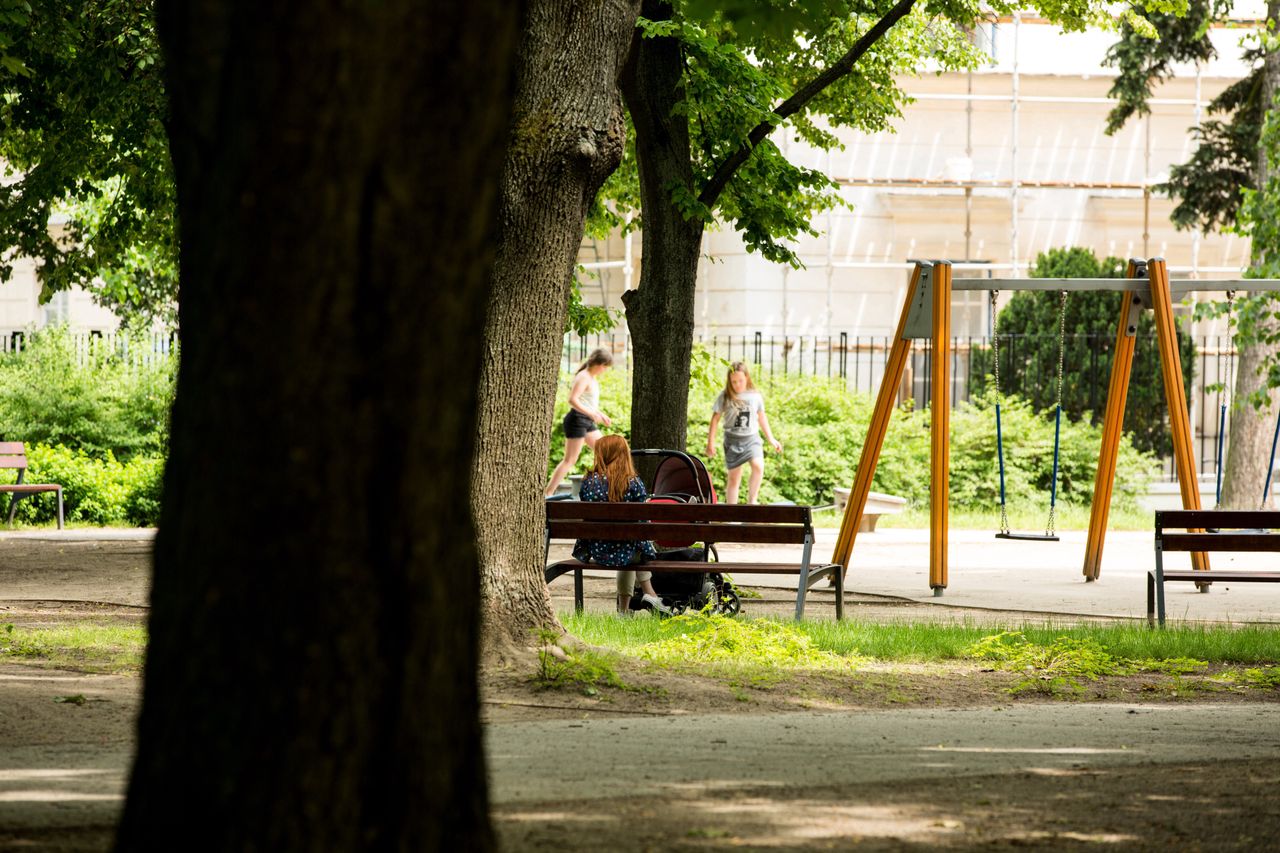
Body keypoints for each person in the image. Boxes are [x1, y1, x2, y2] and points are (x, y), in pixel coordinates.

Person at [571, 434, 670, 615]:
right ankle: (649, 594)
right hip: (627, 552)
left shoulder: (588, 483)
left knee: (629, 547)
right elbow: (642, 523)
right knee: (632, 547)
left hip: (598, 551)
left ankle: (625, 611)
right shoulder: (633, 483)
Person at [705, 362, 782, 504]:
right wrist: (710, 443)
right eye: (733, 382)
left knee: (758, 466)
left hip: (752, 438)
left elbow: (762, 417)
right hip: (733, 440)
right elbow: (715, 419)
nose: (737, 384)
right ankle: (731, 511)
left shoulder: (755, 396)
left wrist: (771, 439)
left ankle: (752, 500)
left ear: (746, 377)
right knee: (734, 478)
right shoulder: (725, 396)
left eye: (740, 380)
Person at [545, 348, 613, 497]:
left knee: (607, 453)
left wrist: (600, 414)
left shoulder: (591, 378)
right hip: (577, 420)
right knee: (570, 460)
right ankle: (548, 493)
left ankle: (607, 491)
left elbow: (587, 403)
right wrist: (591, 414)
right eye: (606, 367)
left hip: (586, 420)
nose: (605, 370)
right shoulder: (583, 377)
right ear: (600, 364)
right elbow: (572, 399)